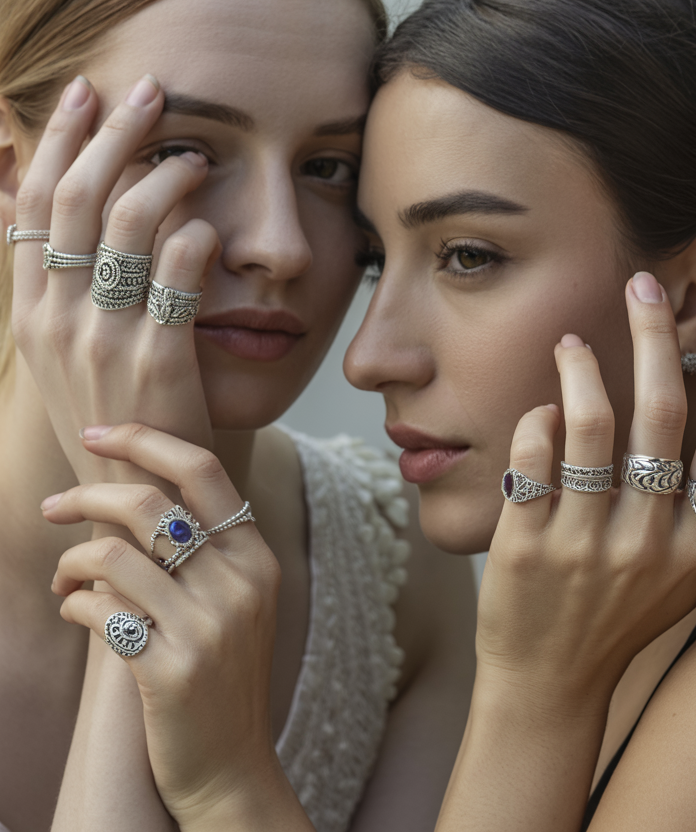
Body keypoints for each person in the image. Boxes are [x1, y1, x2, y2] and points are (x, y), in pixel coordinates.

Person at [41, 0, 696, 829]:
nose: (368, 357)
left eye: (467, 257)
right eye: (373, 261)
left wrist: (231, 784)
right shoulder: (654, 645)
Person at [0, 2, 475, 831]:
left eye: (328, 167)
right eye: (179, 153)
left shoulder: (395, 564)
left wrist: (148, 546)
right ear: (13, 171)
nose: (281, 246)